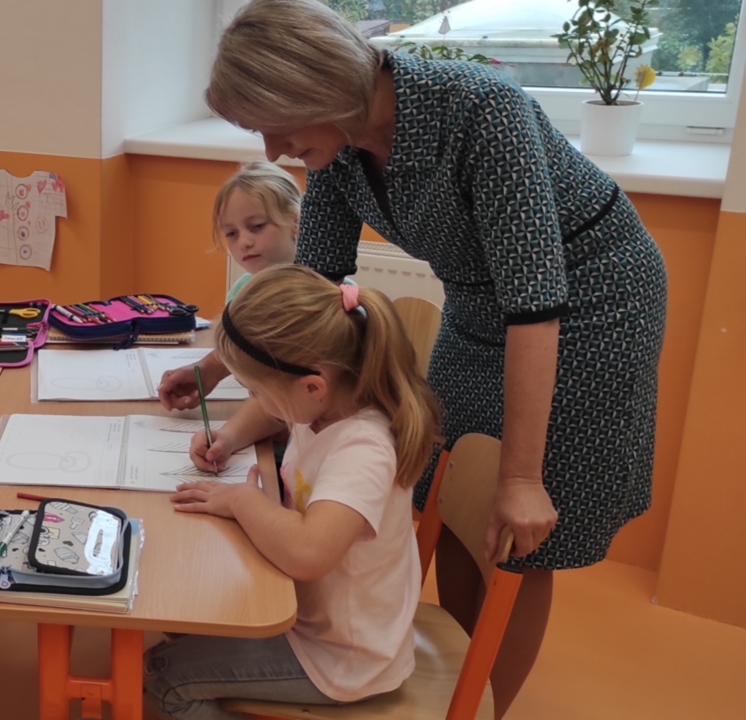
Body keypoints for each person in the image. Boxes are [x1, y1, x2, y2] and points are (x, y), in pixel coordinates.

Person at [182, 1, 669, 714]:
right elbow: (306, 300)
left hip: (589, 309)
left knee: (519, 528)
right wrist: (217, 370)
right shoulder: (339, 146)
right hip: (480, 303)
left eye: (276, 121)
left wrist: (522, 476)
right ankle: (464, 670)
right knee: (451, 484)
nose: (275, 147)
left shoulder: (481, 112)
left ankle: (482, 703)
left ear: (319, 87)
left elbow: (535, 304)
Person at [147, 265, 441, 719]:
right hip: (311, 616)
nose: (255, 400)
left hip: (341, 656)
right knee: (185, 615)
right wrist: (229, 436)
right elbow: (275, 412)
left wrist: (243, 501)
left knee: (164, 675)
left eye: (255, 390)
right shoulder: (328, 403)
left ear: (313, 386)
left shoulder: (363, 450)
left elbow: (308, 553)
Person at [156, 160, 302, 411]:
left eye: (257, 226)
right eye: (232, 233)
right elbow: (242, 349)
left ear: (296, 221)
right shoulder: (242, 290)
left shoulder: (322, 295)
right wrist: (206, 370)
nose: (244, 242)